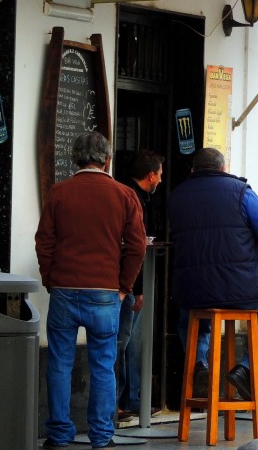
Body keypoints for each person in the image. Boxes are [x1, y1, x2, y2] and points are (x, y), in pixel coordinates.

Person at [36, 131, 147, 450]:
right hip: (105, 292)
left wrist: (50, 278)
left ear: (75, 158)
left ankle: (59, 434)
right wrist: (124, 286)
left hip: (65, 290)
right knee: (103, 364)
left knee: (59, 362)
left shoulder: (59, 192)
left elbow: (44, 240)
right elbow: (137, 247)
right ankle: (101, 435)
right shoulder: (125, 194)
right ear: (107, 159)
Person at [168, 147, 258, 403]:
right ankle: (247, 371)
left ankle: (199, 368)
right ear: (224, 168)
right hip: (243, 288)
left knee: (190, 320)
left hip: (194, 290)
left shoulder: (176, 196)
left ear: (192, 170)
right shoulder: (240, 192)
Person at [115, 150, 164, 420]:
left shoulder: (129, 194)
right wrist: (137, 288)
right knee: (125, 342)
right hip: (129, 283)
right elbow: (137, 247)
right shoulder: (135, 199)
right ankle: (123, 402)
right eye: (159, 175)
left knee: (129, 342)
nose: (160, 181)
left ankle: (129, 399)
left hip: (126, 283)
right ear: (151, 175)